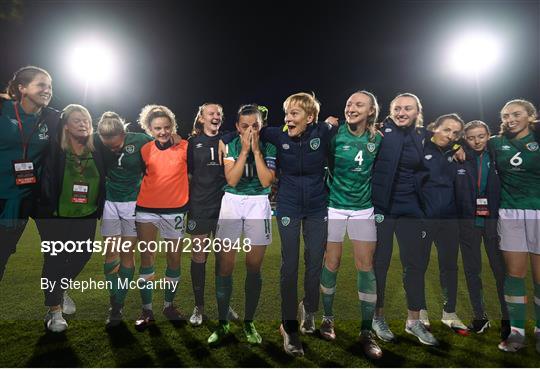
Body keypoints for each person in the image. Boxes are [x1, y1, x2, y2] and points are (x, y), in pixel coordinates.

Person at [259, 92, 336, 356]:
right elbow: (247, 129)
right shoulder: (278, 136)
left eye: (295, 113)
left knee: (315, 262)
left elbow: (343, 129)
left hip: (317, 207)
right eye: (287, 113)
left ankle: (309, 309)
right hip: (289, 206)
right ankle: (289, 326)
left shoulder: (323, 132)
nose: (288, 119)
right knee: (289, 265)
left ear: (310, 117)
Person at [371, 93, 439, 346]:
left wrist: (456, 148)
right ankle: (378, 318)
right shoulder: (378, 133)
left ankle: (413, 321)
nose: (401, 112)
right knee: (380, 264)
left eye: (407, 108)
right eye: (397, 108)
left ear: (417, 112)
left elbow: (451, 143)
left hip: (412, 209)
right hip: (382, 208)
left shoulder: (424, 137)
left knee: (415, 265)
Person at [319, 91, 382, 359]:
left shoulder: (378, 139)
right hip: (334, 206)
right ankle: (327, 318)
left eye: (359, 104)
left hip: (363, 210)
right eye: (348, 104)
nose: (351, 108)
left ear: (371, 111)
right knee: (331, 262)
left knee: (365, 267)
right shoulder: (334, 135)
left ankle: (366, 330)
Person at [208, 104, 276, 345]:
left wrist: (256, 152)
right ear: (237, 127)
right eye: (245, 126)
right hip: (232, 202)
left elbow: (268, 180)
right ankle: (223, 322)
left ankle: (249, 321)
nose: (250, 130)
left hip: (259, 202)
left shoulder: (269, 146)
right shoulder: (230, 145)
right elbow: (232, 179)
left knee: (253, 266)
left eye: (255, 126)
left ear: (262, 125)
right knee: (225, 265)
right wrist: (245, 151)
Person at [39, 104, 106, 332]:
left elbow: (124, 137)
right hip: (56, 215)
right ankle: (54, 310)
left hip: (86, 215)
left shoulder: (97, 149)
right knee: (55, 260)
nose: (83, 123)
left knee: (83, 255)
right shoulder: (55, 148)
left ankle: (60, 288)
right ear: (65, 125)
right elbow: (46, 116)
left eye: (86, 119)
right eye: (76, 120)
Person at [489, 99, 540, 353]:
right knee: (515, 274)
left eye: (516, 114)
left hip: (539, 211)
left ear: (531, 116)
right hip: (509, 212)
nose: (510, 119)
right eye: (506, 115)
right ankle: (517, 332)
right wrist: (457, 148)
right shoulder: (496, 143)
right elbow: (468, 142)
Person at [0, 66, 59, 282]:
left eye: (50, 86)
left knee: (3, 253)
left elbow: (86, 130)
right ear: (22, 88)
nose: (48, 90)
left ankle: (57, 295)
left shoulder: (52, 119)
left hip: (23, 199)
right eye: (41, 85)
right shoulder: (3, 108)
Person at [133, 104, 189, 331]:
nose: (163, 132)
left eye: (167, 127)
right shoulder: (145, 149)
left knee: (174, 259)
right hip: (146, 209)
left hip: (175, 211)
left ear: (172, 127)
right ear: (149, 128)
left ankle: (169, 305)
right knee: (147, 259)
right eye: (157, 128)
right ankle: (147, 311)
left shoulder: (185, 147)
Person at [95, 111, 152, 328]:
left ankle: (118, 305)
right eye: (107, 146)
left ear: (123, 133)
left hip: (132, 204)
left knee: (128, 254)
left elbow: (162, 144)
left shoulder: (140, 140)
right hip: (110, 203)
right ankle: (115, 304)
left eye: (116, 145)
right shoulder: (96, 139)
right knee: (111, 253)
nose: (113, 149)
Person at [456, 120, 509, 338]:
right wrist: (454, 148)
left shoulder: (497, 155)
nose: (476, 141)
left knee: (500, 271)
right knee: (472, 271)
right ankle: (480, 317)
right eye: (471, 137)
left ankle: (507, 319)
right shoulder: (459, 156)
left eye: (481, 136)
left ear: (489, 135)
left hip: (493, 221)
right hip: (468, 222)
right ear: (465, 139)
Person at [186, 103, 236, 326]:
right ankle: (199, 307)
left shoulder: (228, 140)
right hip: (199, 207)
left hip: (224, 207)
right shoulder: (192, 143)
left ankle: (224, 305)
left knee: (223, 258)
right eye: (211, 113)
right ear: (202, 118)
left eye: (219, 114)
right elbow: (187, 175)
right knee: (199, 256)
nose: (216, 116)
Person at [418, 113, 468, 335]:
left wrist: (457, 145)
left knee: (449, 266)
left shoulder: (455, 151)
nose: (450, 135)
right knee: (418, 265)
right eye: (446, 129)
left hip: (449, 219)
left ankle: (449, 313)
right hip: (423, 218)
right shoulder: (419, 147)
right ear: (435, 127)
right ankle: (419, 310)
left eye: (456, 133)